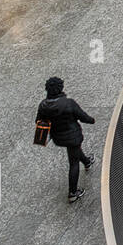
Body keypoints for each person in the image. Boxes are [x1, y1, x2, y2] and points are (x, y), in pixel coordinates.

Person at [36, 76, 95, 204]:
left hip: (58, 137)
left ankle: (87, 162)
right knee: (73, 163)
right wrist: (92, 120)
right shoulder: (68, 103)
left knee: (74, 151)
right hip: (72, 136)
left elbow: (39, 121)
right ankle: (73, 193)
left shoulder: (43, 106)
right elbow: (82, 116)